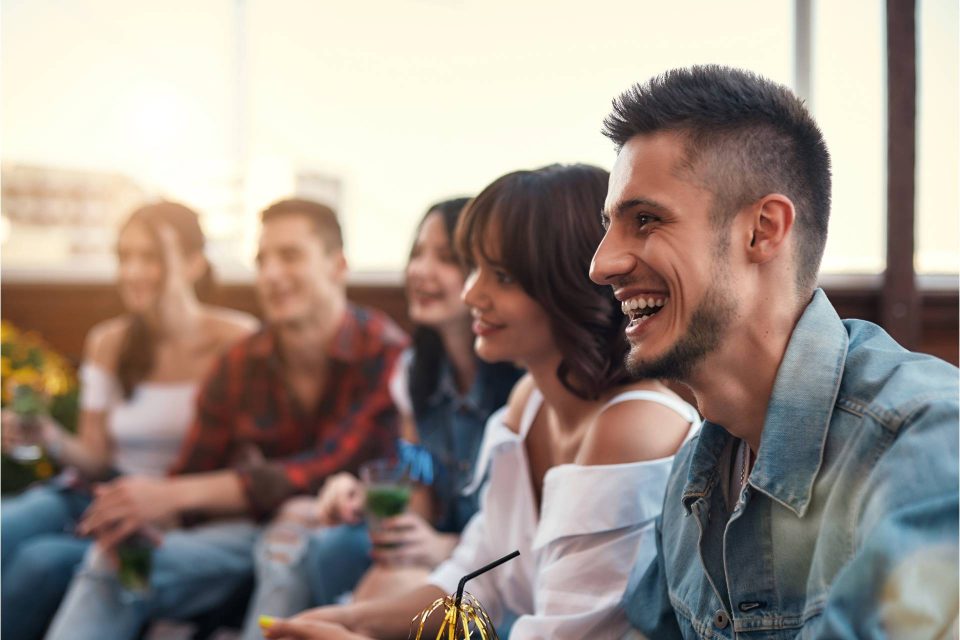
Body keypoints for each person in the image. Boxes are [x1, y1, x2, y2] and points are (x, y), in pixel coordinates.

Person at [588, 65, 959, 638]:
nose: (602, 263)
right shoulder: (694, 474)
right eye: (610, 225)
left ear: (763, 231)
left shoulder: (926, 439)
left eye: (645, 220)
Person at [259, 163, 701, 640]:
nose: (472, 293)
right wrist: (343, 620)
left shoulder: (634, 424)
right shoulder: (528, 402)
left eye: (503, 276)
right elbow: (476, 579)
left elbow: (564, 634)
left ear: (570, 284)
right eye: (474, 268)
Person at [45, 198, 409, 640]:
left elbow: (325, 465)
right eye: (262, 260)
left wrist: (171, 495)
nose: (271, 275)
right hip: (238, 537)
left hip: (331, 540)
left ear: (337, 266)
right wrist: (141, 516)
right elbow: (193, 470)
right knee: (114, 561)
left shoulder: (385, 353)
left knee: (287, 541)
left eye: (290, 256)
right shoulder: (241, 361)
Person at [241, 198, 522, 640]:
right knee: (330, 546)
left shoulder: (523, 380)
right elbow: (418, 484)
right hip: (444, 553)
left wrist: (442, 548)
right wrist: (360, 495)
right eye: (417, 253)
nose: (421, 271)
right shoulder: (416, 372)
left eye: (446, 259)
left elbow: (529, 539)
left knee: (382, 586)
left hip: (495, 569)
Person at [0, 201, 257, 640]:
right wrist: (48, 436)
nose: (133, 272)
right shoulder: (108, 342)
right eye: (125, 257)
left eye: (151, 257)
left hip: (171, 513)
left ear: (195, 263)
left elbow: (252, 464)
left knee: (39, 562)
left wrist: (175, 505)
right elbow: (96, 459)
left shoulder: (238, 340)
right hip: (94, 494)